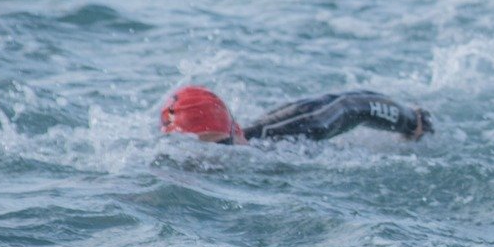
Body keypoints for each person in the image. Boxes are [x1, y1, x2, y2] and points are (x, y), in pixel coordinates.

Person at [158, 86, 431, 145]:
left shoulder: (290, 135)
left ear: (235, 132)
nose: (213, 159)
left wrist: (412, 122)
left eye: (223, 145)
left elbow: (351, 105)